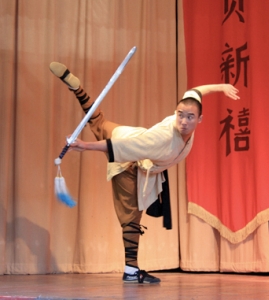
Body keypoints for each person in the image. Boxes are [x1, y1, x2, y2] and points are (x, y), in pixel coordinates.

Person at [49, 61, 240, 284]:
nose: (183, 121)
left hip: (131, 136)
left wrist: (222, 86)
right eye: (180, 115)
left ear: (199, 119)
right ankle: (131, 271)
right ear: (175, 113)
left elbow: (197, 91)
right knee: (131, 217)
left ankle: (78, 90)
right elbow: (121, 148)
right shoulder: (163, 137)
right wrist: (86, 146)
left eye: (189, 117)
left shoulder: (188, 109)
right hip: (130, 161)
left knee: (98, 120)